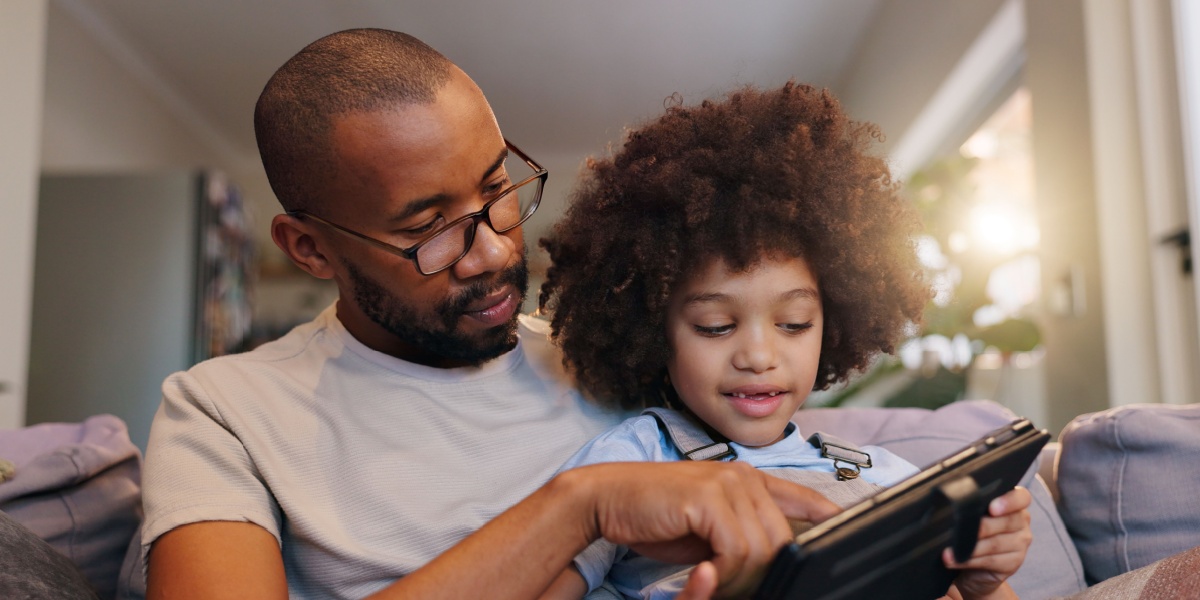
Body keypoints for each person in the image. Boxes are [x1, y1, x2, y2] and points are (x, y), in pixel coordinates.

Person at [140, 29, 841, 600]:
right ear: (309, 249)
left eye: (497, 187)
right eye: (426, 229)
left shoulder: (616, 358)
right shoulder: (222, 410)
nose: (493, 250)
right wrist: (582, 507)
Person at [536, 83, 1033, 599]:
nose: (758, 356)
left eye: (794, 323)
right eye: (714, 326)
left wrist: (982, 583)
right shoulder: (629, 461)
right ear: (653, 332)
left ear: (834, 321)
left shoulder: (883, 474)